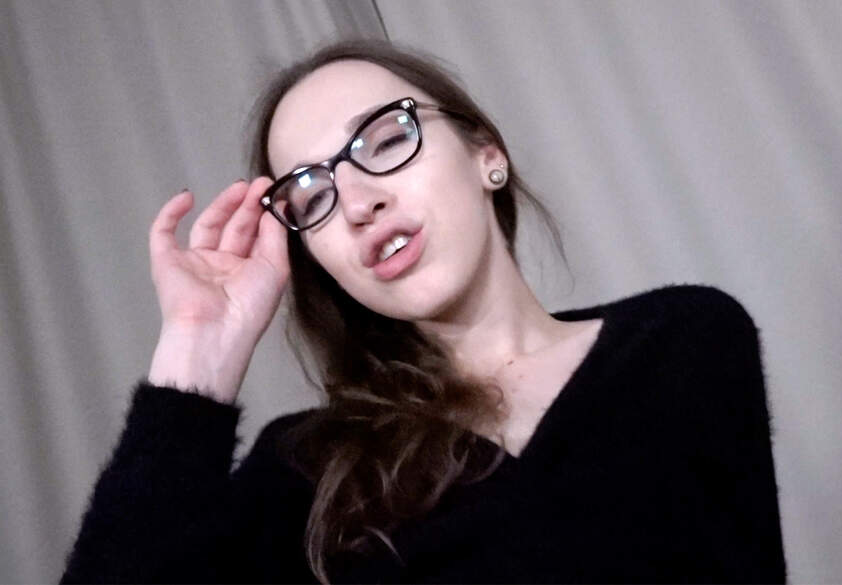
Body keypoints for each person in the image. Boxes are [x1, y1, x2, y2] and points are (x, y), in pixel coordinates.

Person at [60, 39, 787, 584]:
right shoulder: (307, 469)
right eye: (312, 194)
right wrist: (199, 349)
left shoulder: (683, 343)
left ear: (486, 155)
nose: (357, 202)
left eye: (386, 139)